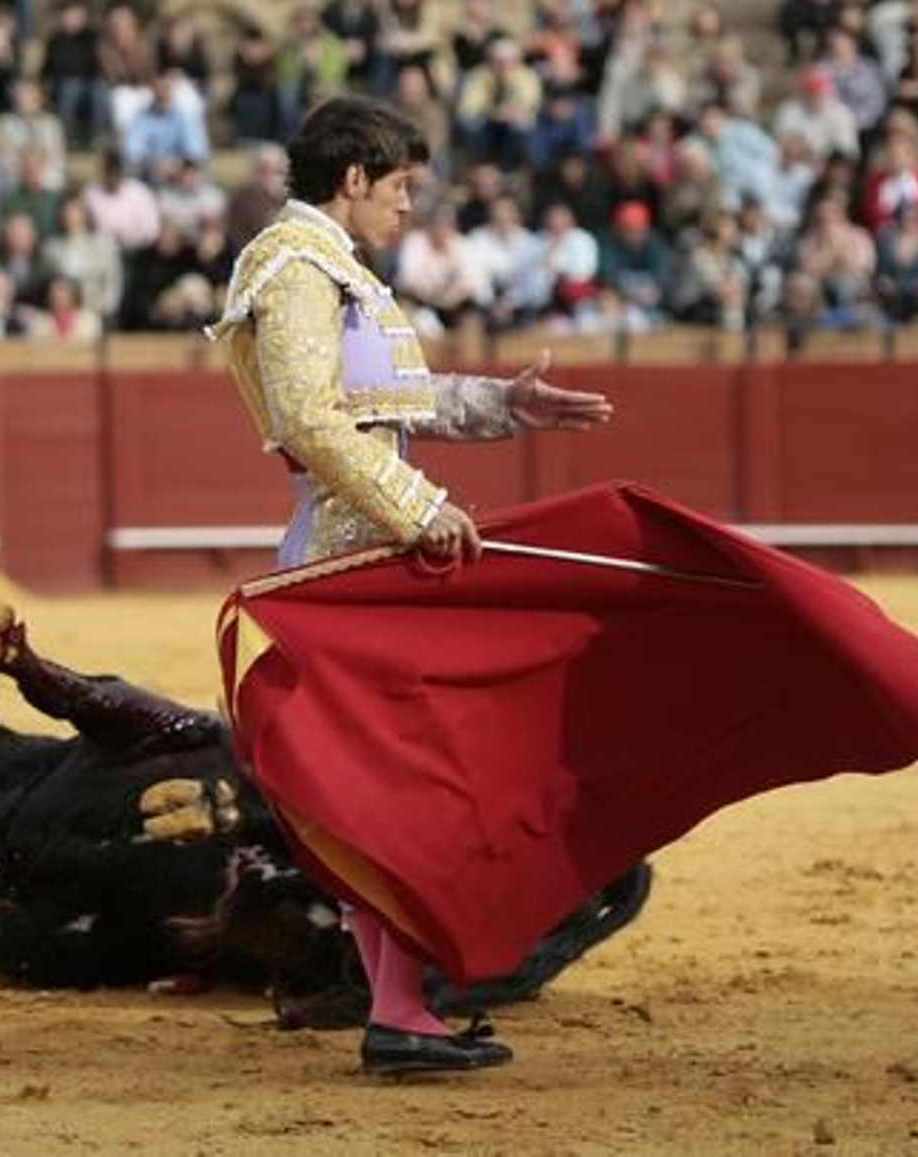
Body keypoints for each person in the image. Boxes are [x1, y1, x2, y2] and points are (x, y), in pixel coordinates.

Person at [209, 96, 612, 1076]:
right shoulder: (296, 266)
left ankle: (399, 1008)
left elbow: (390, 402)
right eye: (399, 188)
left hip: (369, 555)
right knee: (396, 789)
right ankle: (397, 1010)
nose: (406, 208)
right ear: (352, 178)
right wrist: (416, 502)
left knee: (394, 791)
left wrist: (500, 404)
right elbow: (310, 418)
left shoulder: (332, 269)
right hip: (346, 563)